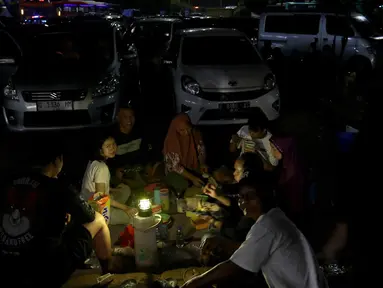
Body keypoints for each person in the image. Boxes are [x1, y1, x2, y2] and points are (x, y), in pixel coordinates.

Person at [0, 146, 132, 287]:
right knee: (98, 219)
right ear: (57, 160)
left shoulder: (8, 182)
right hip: (44, 272)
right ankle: (108, 270)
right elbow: (88, 215)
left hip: (7, 268)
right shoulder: (58, 186)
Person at [183, 178, 328, 288]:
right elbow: (254, 249)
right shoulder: (275, 216)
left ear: (264, 197)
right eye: (241, 196)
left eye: (250, 195)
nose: (244, 200)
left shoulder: (268, 226)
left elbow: (233, 267)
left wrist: (193, 283)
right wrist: (222, 243)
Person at [203, 153, 271, 242]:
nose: (234, 173)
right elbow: (234, 202)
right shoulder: (255, 185)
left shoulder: (255, 204)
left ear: (247, 174)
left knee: (207, 237)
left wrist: (214, 222)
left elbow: (237, 235)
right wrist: (217, 195)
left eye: (238, 171)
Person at [81, 134, 137, 225]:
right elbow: (100, 198)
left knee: (125, 189)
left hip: (94, 201)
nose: (112, 148)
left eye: (113, 144)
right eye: (108, 146)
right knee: (135, 217)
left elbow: (97, 187)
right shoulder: (101, 168)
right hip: (96, 209)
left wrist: (113, 190)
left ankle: (116, 209)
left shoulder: (93, 162)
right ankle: (111, 215)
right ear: (100, 150)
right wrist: (125, 208)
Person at [108, 106, 161, 187]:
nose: (129, 120)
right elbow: (108, 161)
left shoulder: (140, 133)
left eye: (131, 116)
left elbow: (147, 154)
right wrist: (115, 171)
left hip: (138, 170)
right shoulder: (112, 138)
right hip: (122, 174)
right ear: (118, 118)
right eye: (125, 117)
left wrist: (149, 165)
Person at [163, 113, 208, 195]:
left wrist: (202, 164)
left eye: (188, 128)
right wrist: (193, 178)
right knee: (182, 184)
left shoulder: (195, 134)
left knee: (207, 178)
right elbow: (175, 166)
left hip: (192, 167)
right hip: (176, 173)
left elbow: (201, 150)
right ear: (176, 130)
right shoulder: (171, 141)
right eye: (182, 130)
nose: (186, 132)